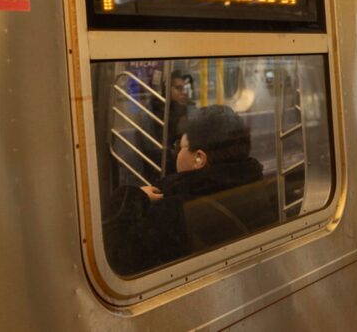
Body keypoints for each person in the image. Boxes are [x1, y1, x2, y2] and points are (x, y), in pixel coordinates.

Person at [103, 105, 264, 275]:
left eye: (180, 146)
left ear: (198, 159)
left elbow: (116, 259)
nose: (176, 154)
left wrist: (133, 197)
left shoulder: (176, 211)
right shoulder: (255, 187)